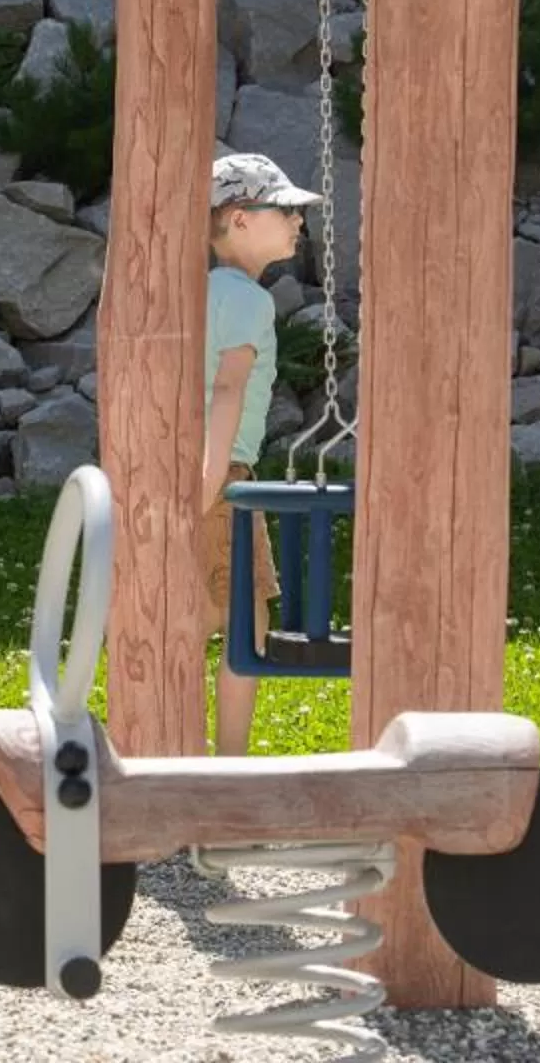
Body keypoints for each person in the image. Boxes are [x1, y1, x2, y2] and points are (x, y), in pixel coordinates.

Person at [200, 151, 321, 756]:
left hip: (201, 468)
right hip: (223, 473)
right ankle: (227, 760)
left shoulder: (199, 293)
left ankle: (172, 747)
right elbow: (227, 388)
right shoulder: (249, 301)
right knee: (245, 622)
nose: (299, 222)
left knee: (193, 610)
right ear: (241, 218)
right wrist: (212, 476)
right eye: (286, 210)